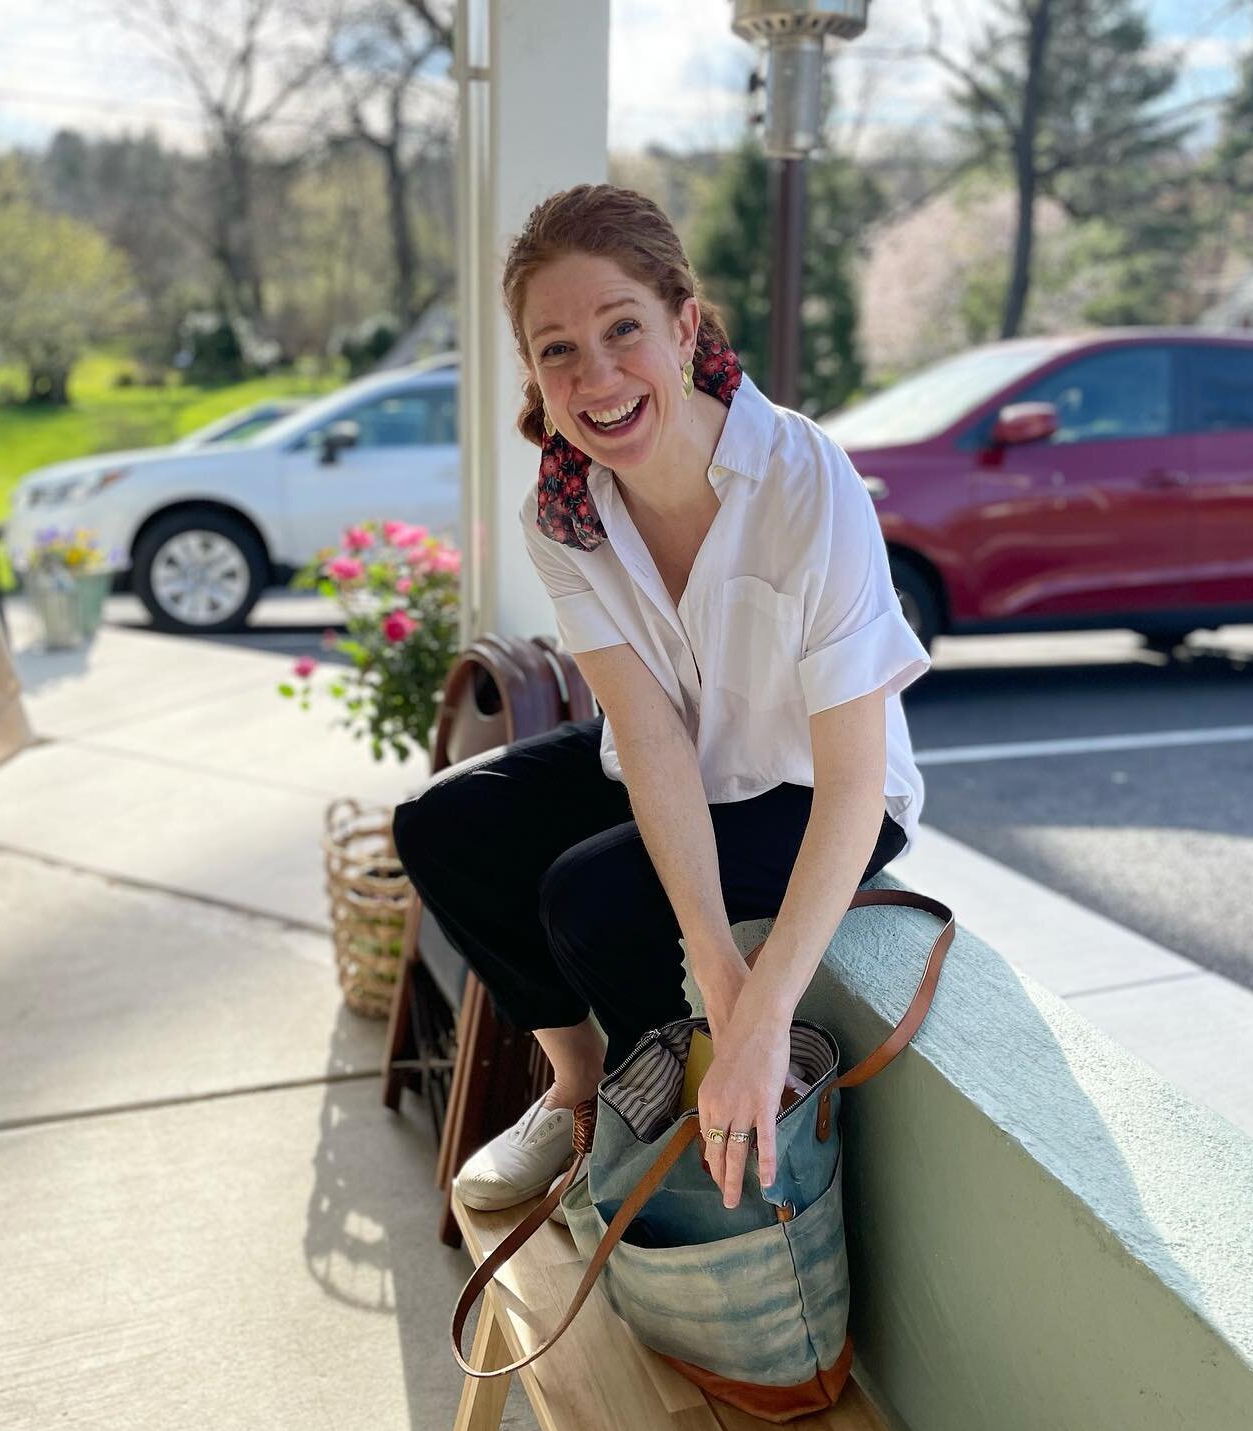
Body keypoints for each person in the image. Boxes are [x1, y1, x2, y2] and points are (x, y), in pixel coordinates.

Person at [392, 182, 931, 1223]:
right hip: (685, 765)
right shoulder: (563, 516)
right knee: (444, 824)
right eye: (557, 350)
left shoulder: (800, 482)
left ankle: (681, 1140)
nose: (595, 377)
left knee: (591, 899)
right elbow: (645, 737)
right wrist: (717, 970)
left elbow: (859, 780)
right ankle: (585, 1090)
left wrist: (757, 1008)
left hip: (809, 790)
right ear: (536, 375)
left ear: (684, 325)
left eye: (621, 329)